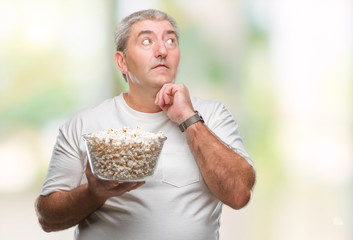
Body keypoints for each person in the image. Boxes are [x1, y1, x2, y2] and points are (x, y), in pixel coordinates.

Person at [35, 9, 256, 240]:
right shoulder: (84, 124)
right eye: (147, 41)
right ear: (122, 62)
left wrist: (189, 119)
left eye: (170, 41)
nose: (162, 51)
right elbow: (48, 218)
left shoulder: (212, 115)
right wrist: (93, 194)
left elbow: (239, 194)